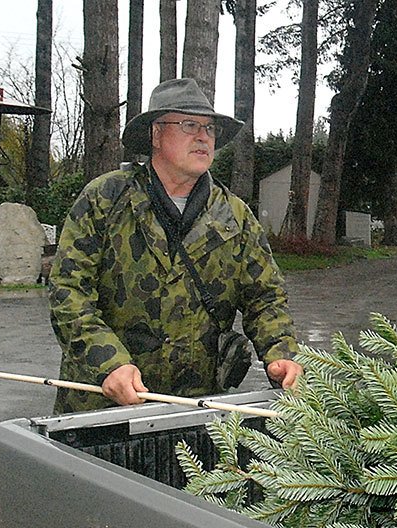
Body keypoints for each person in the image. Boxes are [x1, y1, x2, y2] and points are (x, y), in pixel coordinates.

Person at [48, 78, 302, 413]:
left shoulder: (235, 216)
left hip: (192, 410)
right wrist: (108, 361)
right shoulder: (106, 200)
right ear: (155, 134)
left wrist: (280, 354)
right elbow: (68, 290)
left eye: (209, 129)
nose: (202, 136)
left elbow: (266, 297)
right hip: (101, 408)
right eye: (188, 125)